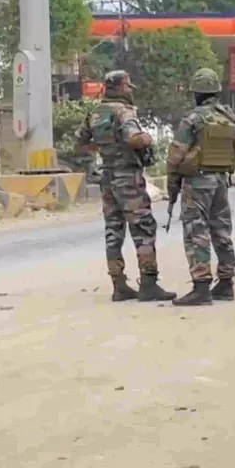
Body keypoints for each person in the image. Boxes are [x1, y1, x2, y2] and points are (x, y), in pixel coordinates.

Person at [75, 70, 177, 302]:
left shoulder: (95, 113)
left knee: (113, 231)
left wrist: (99, 157)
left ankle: (119, 285)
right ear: (121, 88)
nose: (131, 90)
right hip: (128, 178)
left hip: (107, 177)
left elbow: (80, 143)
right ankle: (149, 284)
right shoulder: (124, 111)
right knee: (143, 229)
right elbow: (133, 138)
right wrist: (147, 139)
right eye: (129, 86)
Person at [166, 68, 235, 306]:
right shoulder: (229, 118)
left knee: (195, 231)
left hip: (198, 181)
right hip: (220, 180)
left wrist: (172, 178)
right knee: (221, 230)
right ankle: (226, 284)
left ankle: (201, 287)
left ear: (196, 94)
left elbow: (176, 153)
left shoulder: (194, 119)